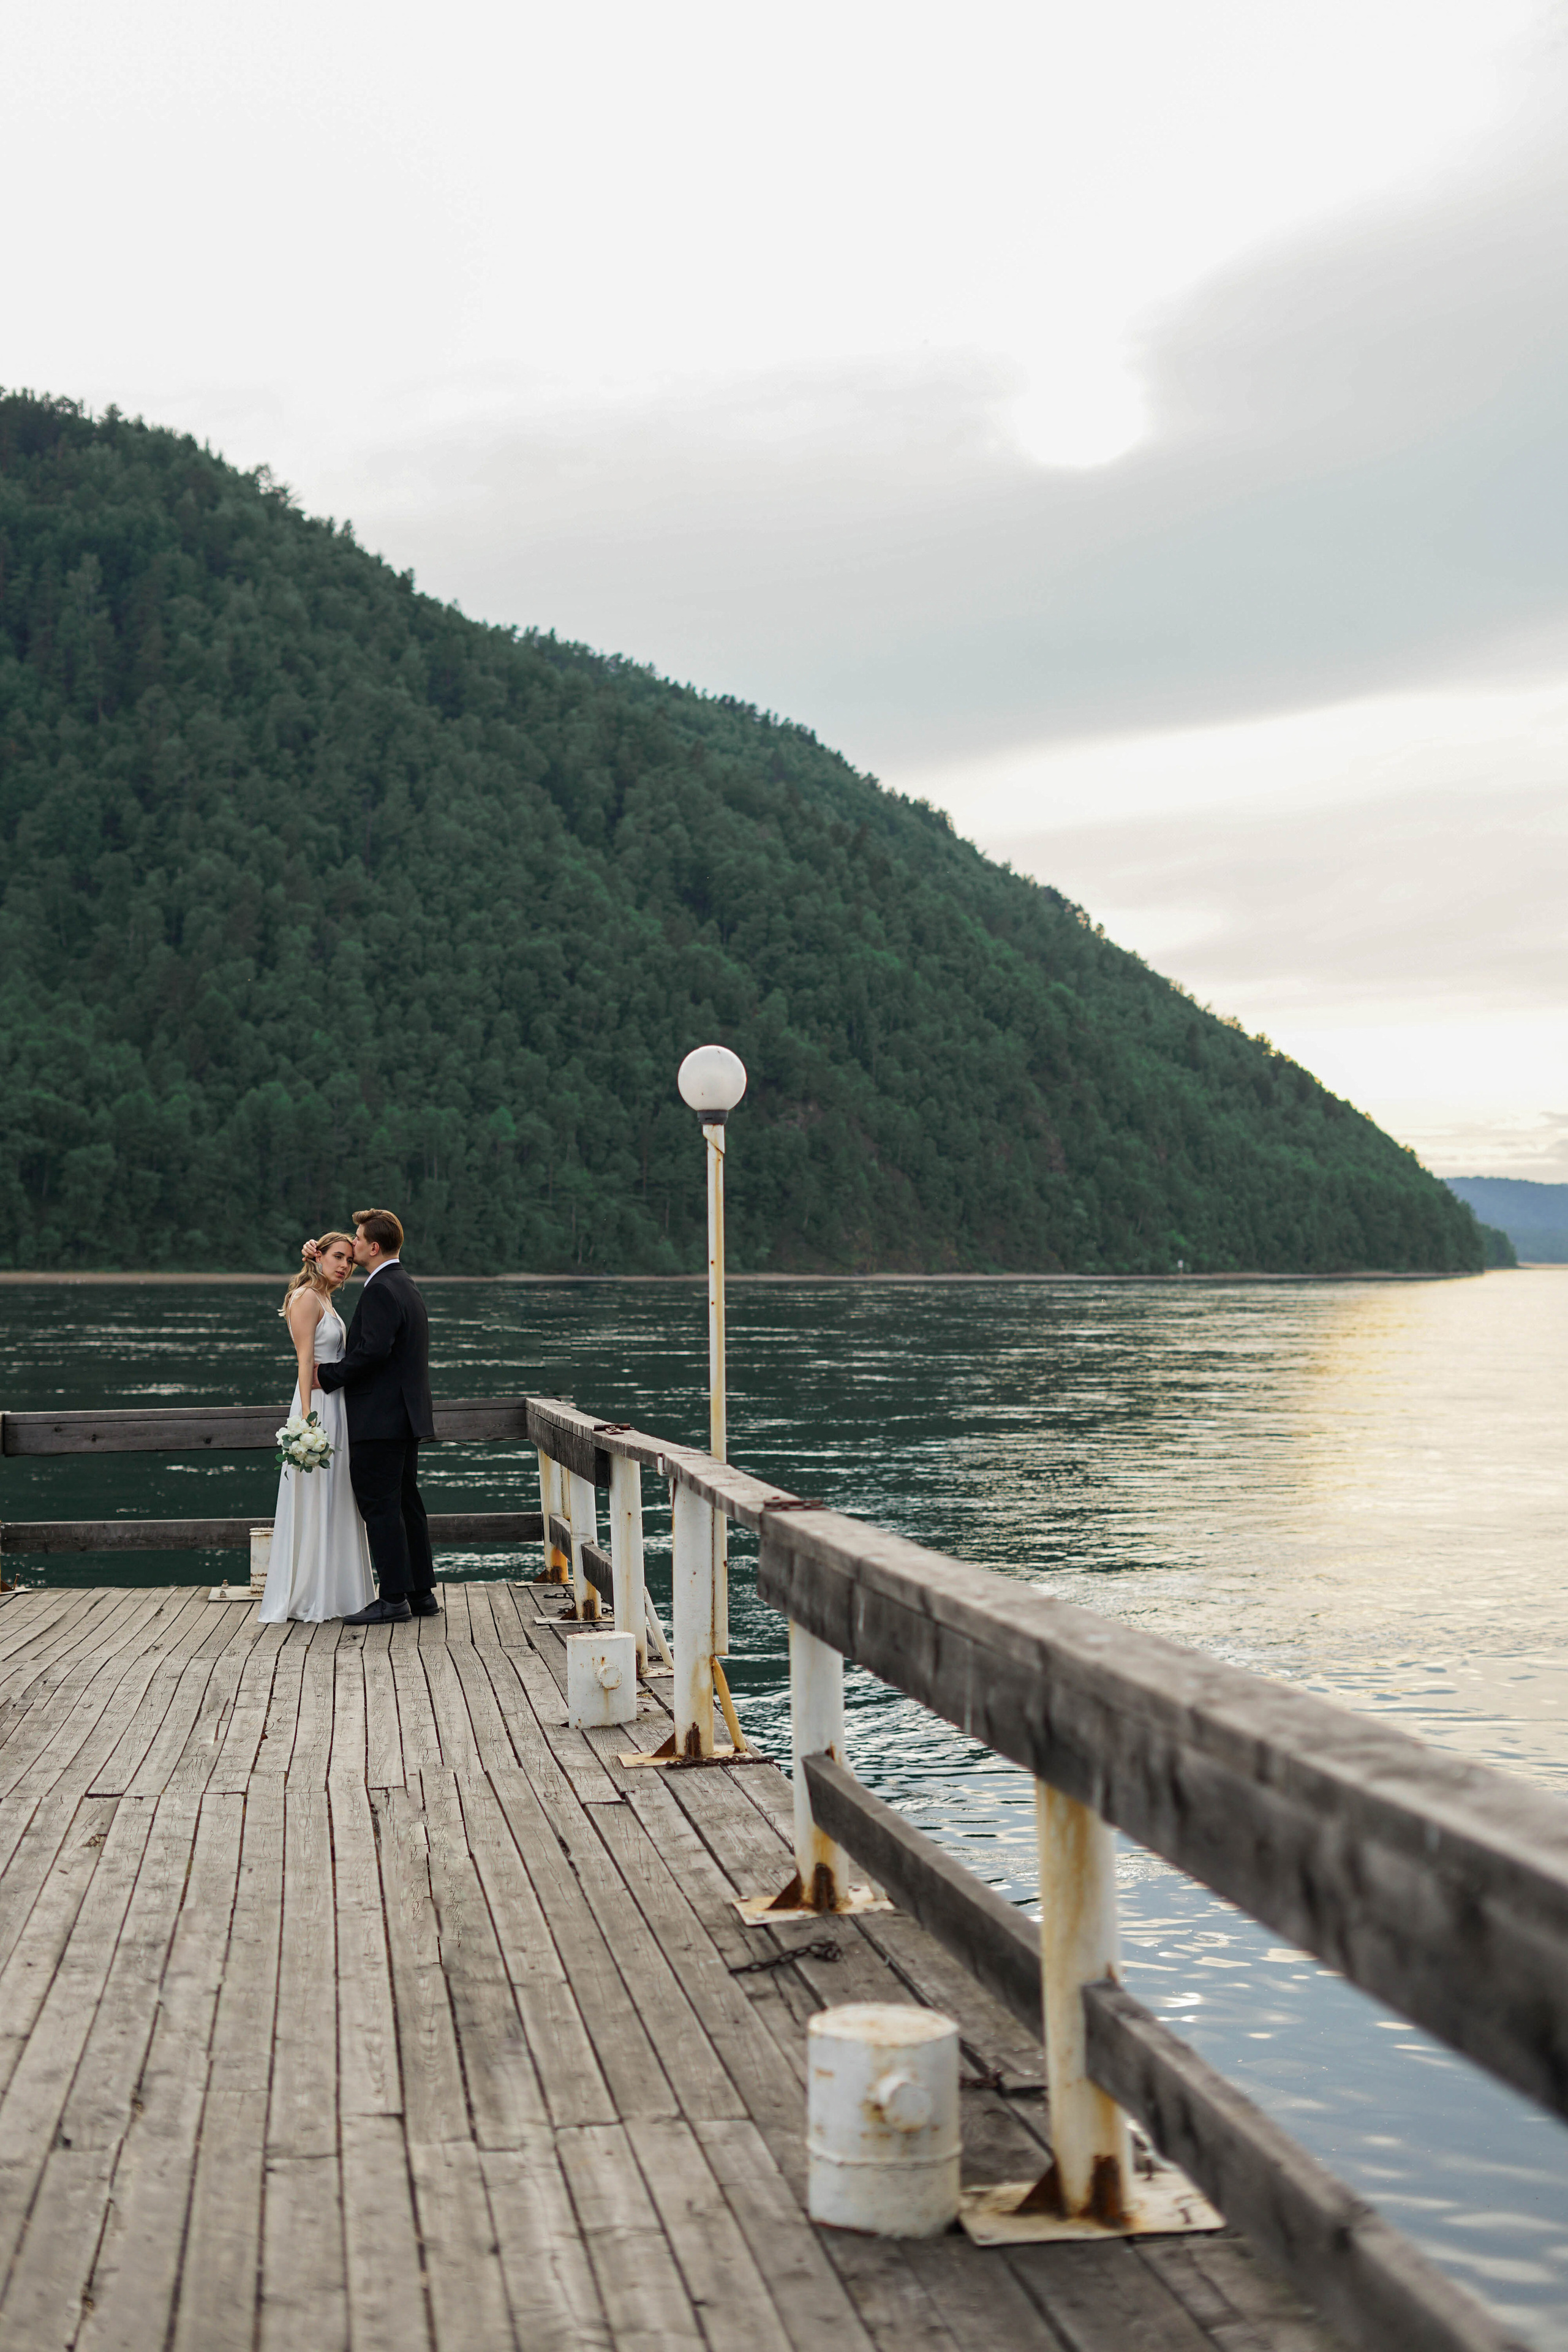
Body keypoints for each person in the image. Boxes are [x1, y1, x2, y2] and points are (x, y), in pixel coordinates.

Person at [313, 1207, 439, 1626]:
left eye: (357, 1236)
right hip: (406, 1416)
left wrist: (326, 1376)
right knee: (406, 1505)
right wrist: (313, 1253)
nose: (352, 1242)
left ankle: (394, 1598)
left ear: (373, 1246)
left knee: (380, 1508)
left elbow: (373, 1352)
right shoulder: (406, 1285)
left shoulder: (382, 1289)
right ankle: (421, 1595)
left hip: (381, 1418)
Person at [258, 1232, 375, 1624]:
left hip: (336, 1402)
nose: (344, 1265)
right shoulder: (307, 1298)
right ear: (319, 1257)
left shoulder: (326, 1297)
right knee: (317, 1494)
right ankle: (311, 1592)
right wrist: (308, 1425)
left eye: (349, 1261)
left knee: (338, 1495)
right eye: (337, 1257)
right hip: (318, 1404)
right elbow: (305, 1362)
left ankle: (340, 1591)